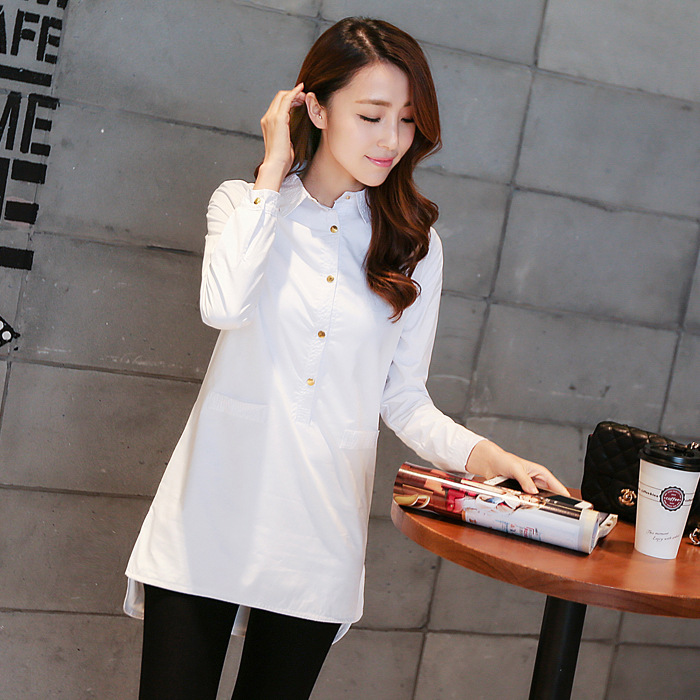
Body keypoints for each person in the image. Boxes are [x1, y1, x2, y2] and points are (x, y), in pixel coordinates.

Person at [124, 16, 568, 700]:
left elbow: (403, 398)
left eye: (408, 120)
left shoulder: (415, 245)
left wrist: (487, 457)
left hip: (317, 532)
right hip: (208, 512)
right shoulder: (245, 205)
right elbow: (224, 307)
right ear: (316, 108)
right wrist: (272, 171)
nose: (391, 139)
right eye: (371, 115)